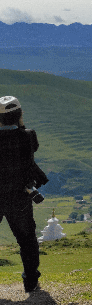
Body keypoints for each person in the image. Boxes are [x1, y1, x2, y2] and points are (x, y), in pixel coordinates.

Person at [0, 96, 43, 292]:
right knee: (26, 239)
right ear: (19, 115)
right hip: (19, 196)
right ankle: (31, 281)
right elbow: (33, 148)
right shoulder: (28, 135)